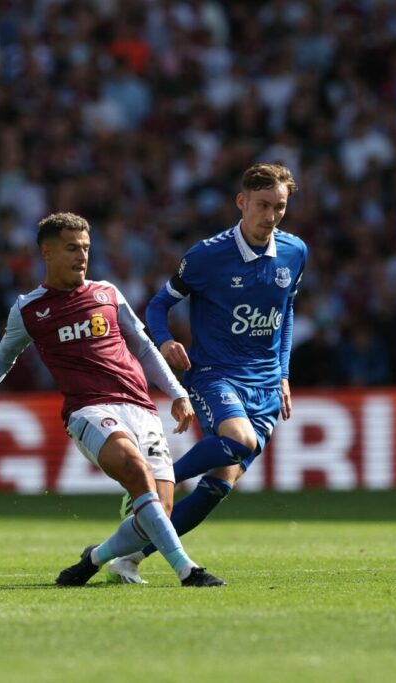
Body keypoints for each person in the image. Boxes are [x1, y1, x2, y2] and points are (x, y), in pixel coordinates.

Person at [0, 212, 224, 587]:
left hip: (140, 406)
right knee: (137, 475)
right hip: (89, 410)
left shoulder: (107, 294)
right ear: (47, 253)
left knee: (160, 510)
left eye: (85, 248)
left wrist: (178, 392)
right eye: (72, 248)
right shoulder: (29, 309)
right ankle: (188, 570)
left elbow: (145, 348)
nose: (81, 256)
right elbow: (2, 357)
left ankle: (95, 557)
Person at [107, 162, 307, 585]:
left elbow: (285, 311)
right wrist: (163, 342)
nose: (270, 216)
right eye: (262, 205)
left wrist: (284, 374)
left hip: (267, 384)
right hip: (216, 373)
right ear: (242, 203)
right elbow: (159, 304)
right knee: (238, 441)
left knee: (219, 486)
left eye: (280, 207)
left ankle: (126, 558)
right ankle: (159, 478)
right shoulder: (207, 256)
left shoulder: (294, 252)